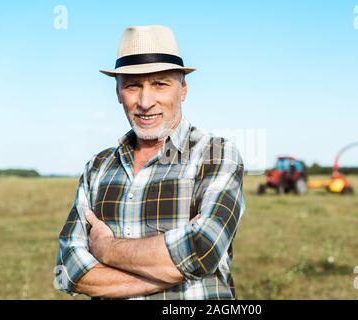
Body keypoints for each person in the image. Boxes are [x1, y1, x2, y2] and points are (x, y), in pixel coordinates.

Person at [54, 25, 246, 300]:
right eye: (133, 85)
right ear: (118, 92)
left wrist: (106, 249)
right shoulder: (97, 167)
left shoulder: (215, 154)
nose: (145, 102)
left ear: (182, 90)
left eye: (160, 84)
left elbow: (203, 250)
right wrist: (171, 267)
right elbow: (68, 270)